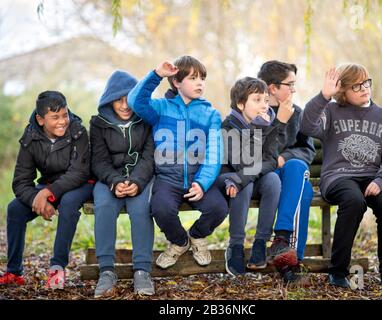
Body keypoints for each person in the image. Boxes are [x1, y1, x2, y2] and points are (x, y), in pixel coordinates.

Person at [300, 63, 382, 288]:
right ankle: (337, 272)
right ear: (343, 91)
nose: (364, 88)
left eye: (366, 82)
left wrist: (381, 180)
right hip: (339, 176)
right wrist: (323, 96)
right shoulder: (330, 111)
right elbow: (307, 126)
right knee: (354, 201)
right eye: (356, 86)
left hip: (373, 177)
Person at [127, 56, 228, 269]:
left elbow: (214, 153)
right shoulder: (161, 108)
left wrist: (202, 183)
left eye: (202, 78)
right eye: (193, 78)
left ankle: (197, 236)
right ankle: (180, 241)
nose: (200, 83)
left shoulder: (210, 114)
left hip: (198, 178)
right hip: (167, 179)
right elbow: (135, 101)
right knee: (160, 209)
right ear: (176, 82)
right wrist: (156, 75)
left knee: (218, 208)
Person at [0, 91, 92, 289]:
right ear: (41, 120)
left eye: (65, 115)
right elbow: (21, 181)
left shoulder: (78, 131)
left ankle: (57, 268)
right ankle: (14, 271)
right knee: (15, 209)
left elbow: (80, 172)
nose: (63, 121)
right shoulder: (31, 137)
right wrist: (37, 198)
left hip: (80, 185)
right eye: (55, 117)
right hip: (49, 185)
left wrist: (47, 193)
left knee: (68, 204)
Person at [90, 70, 156, 298]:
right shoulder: (99, 123)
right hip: (109, 179)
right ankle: (106, 271)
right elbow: (98, 160)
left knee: (141, 209)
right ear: (109, 99)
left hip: (141, 177)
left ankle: (142, 270)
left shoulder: (146, 121)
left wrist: (137, 181)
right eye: (118, 99)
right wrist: (115, 181)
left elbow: (149, 156)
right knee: (104, 206)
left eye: (129, 98)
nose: (125, 104)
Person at [219, 77, 292, 277]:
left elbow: (271, 160)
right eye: (257, 100)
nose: (264, 105)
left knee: (273, 180)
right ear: (241, 104)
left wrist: (270, 127)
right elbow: (242, 163)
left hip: (247, 177)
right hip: (231, 177)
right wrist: (267, 127)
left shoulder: (265, 123)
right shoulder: (228, 127)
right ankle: (235, 245)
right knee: (245, 185)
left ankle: (261, 242)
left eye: (266, 100)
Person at [257, 61, 315, 281]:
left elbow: (307, 150)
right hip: (265, 177)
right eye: (290, 84)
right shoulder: (256, 111)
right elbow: (255, 153)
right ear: (273, 88)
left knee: (298, 169)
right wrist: (275, 158)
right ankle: (291, 263)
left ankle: (282, 242)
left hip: (291, 175)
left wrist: (286, 157)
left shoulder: (297, 113)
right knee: (303, 189)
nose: (294, 89)